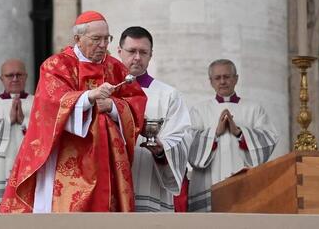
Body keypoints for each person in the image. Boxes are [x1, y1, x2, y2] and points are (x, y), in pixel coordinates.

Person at [0, 11, 147, 213]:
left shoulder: (115, 67)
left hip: (109, 157)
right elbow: (49, 104)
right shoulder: (56, 65)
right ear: (77, 39)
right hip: (68, 156)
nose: (103, 45)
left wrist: (112, 106)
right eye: (96, 39)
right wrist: (88, 97)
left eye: (107, 38)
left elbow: (135, 101)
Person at [188, 59, 278, 212]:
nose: (222, 81)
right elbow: (188, 143)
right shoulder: (199, 110)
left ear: (236, 79)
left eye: (227, 76)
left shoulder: (254, 109)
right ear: (211, 81)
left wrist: (240, 133)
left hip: (244, 184)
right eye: (217, 78)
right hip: (207, 184)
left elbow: (269, 139)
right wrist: (215, 133)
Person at [118, 26, 192, 212]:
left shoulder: (168, 94)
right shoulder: (106, 89)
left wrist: (161, 150)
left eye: (143, 52)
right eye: (132, 51)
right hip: (112, 184)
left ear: (151, 55)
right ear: (119, 51)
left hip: (150, 184)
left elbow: (181, 137)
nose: (137, 57)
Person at [0, 59, 34, 203]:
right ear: (1, 78)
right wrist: (8, 122)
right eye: (10, 75)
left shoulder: (38, 103)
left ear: (26, 77)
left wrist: (24, 122)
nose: (15, 79)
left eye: (19, 75)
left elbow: (47, 136)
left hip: (30, 168)